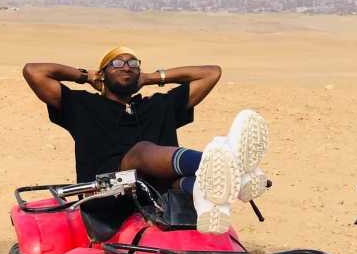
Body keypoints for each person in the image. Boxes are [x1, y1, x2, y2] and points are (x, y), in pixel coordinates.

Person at [22, 46, 269, 233]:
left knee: (190, 182)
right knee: (141, 152)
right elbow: (34, 71)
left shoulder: (159, 105)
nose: (126, 67)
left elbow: (211, 73)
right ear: (103, 74)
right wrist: (86, 76)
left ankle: (234, 181)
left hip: (159, 194)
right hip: (106, 194)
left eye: (133, 63)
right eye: (117, 63)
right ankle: (231, 165)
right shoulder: (82, 105)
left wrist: (153, 77)